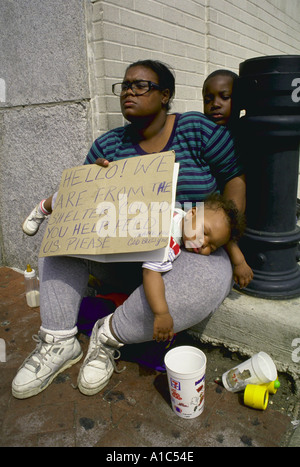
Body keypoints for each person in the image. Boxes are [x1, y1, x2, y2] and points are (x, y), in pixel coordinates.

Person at [13, 59, 247, 399]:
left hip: (182, 257)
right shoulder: (107, 146)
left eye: (140, 85)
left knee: (211, 276)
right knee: (61, 229)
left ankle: (108, 335)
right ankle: (58, 340)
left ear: (165, 95)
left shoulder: (197, 129)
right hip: (119, 256)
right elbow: (80, 213)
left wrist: (227, 231)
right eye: (124, 86)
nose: (128, 92)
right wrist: (93, 181)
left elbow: (234, 177)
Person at [143, 193, 246, 342]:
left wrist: (239, 261)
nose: (204, 242)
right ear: (191, 213)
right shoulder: (169, 242)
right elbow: (150, 273)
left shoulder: (179, 213)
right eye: (204, 232)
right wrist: (162, 313)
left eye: (212, 246)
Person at [202, 70, 253, 289]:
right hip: (214, 215)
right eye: (208, 99)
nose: (215, 104)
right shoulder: (203, 134)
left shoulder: (247, 131)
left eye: (225, 96)